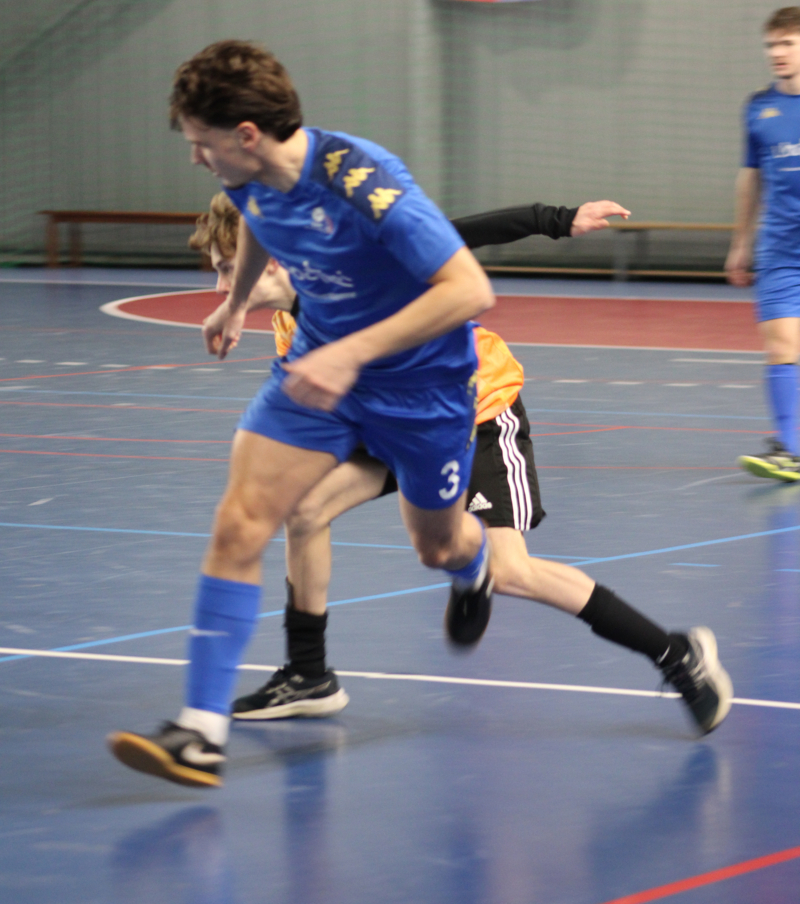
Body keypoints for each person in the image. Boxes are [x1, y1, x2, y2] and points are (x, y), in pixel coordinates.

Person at [191, 194, 733, 742]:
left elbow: (464, 233)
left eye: (227, 269)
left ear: (269, 260)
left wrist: (561, 220)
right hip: (392, 424)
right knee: (305, 509)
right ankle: (309, 674)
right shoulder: (288, 322)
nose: (219, 287)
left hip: (475, 411)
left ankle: (676, 654)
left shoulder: (361, 266)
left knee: (510, 571)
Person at [109, 39, 497, 789]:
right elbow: (259, 217)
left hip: (422, 391)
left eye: (201, 142)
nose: (195, 157)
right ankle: (200, 731)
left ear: (247, 134)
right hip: (315, 377)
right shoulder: (249, 176)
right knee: (239, 522)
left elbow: (469, 290)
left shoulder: (364, 184)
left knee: (437, 546)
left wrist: (354, 354)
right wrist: (236, 302)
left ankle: (472, 567)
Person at [726, 7, 800, 481]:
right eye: (771, 44)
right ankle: (790, 449)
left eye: (787, 43)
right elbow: (749, 179)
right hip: (781, 252)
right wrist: (741, 244)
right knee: (782, 345)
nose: (777, 53)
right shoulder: (758, 108)